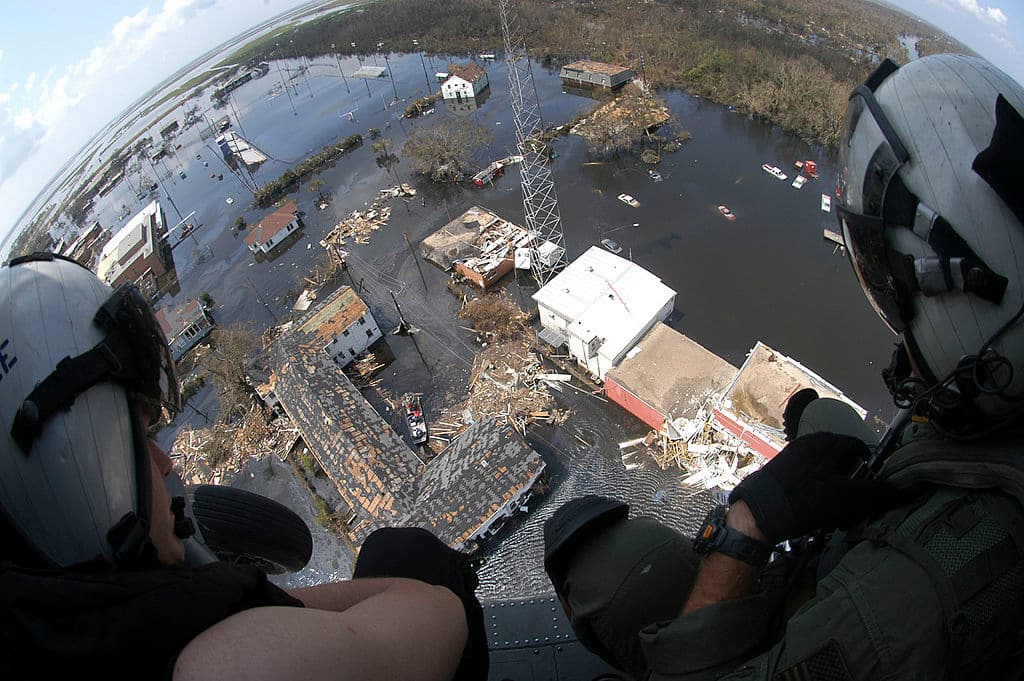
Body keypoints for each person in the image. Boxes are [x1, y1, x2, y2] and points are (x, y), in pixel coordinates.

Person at [543, 54, 1024, 680]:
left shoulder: (899, 604)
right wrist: (842, 437)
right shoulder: (990, 422)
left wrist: (742, 533)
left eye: (885, 279)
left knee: (614, 575)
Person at [0, 253, 484, 681]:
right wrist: (246, 602)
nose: (166, 462)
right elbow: (441, 615)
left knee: (384, 546)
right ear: (89, 477)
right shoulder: (222, 665)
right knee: (412, 554)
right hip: (425, 625)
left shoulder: (49, 621)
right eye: (141, 441)